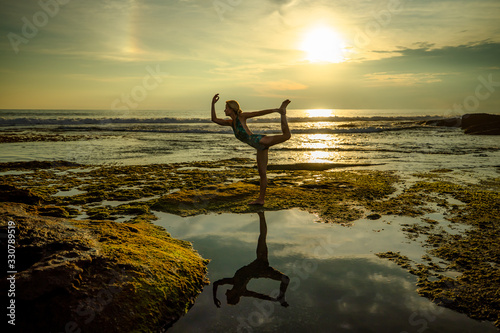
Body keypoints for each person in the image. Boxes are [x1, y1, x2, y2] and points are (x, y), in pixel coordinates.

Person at [211, 93, 291, 205]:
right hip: (259, 147)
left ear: (232, 109)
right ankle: (261, 200)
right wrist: (213, 103)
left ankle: (282, 112)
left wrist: (276, 110)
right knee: (262, 173)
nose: (224, 111)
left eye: (226, 108)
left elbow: (258, 113)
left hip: (259, 140)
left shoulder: (241, 117)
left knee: (287, 136)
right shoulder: (231, 123)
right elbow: (214, 119)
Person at [212, 212, 290, 308]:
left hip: (260, 262)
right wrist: (273, 299)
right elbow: (259, 296)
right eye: (227, 297)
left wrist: (215, 299)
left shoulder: (235, 284)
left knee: (262, 237)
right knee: (262, 237)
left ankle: (261, 214)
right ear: (233, 296)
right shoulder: (237, 285)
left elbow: (216, 283)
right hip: (262, 270)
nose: (225, 294)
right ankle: (281, 297)